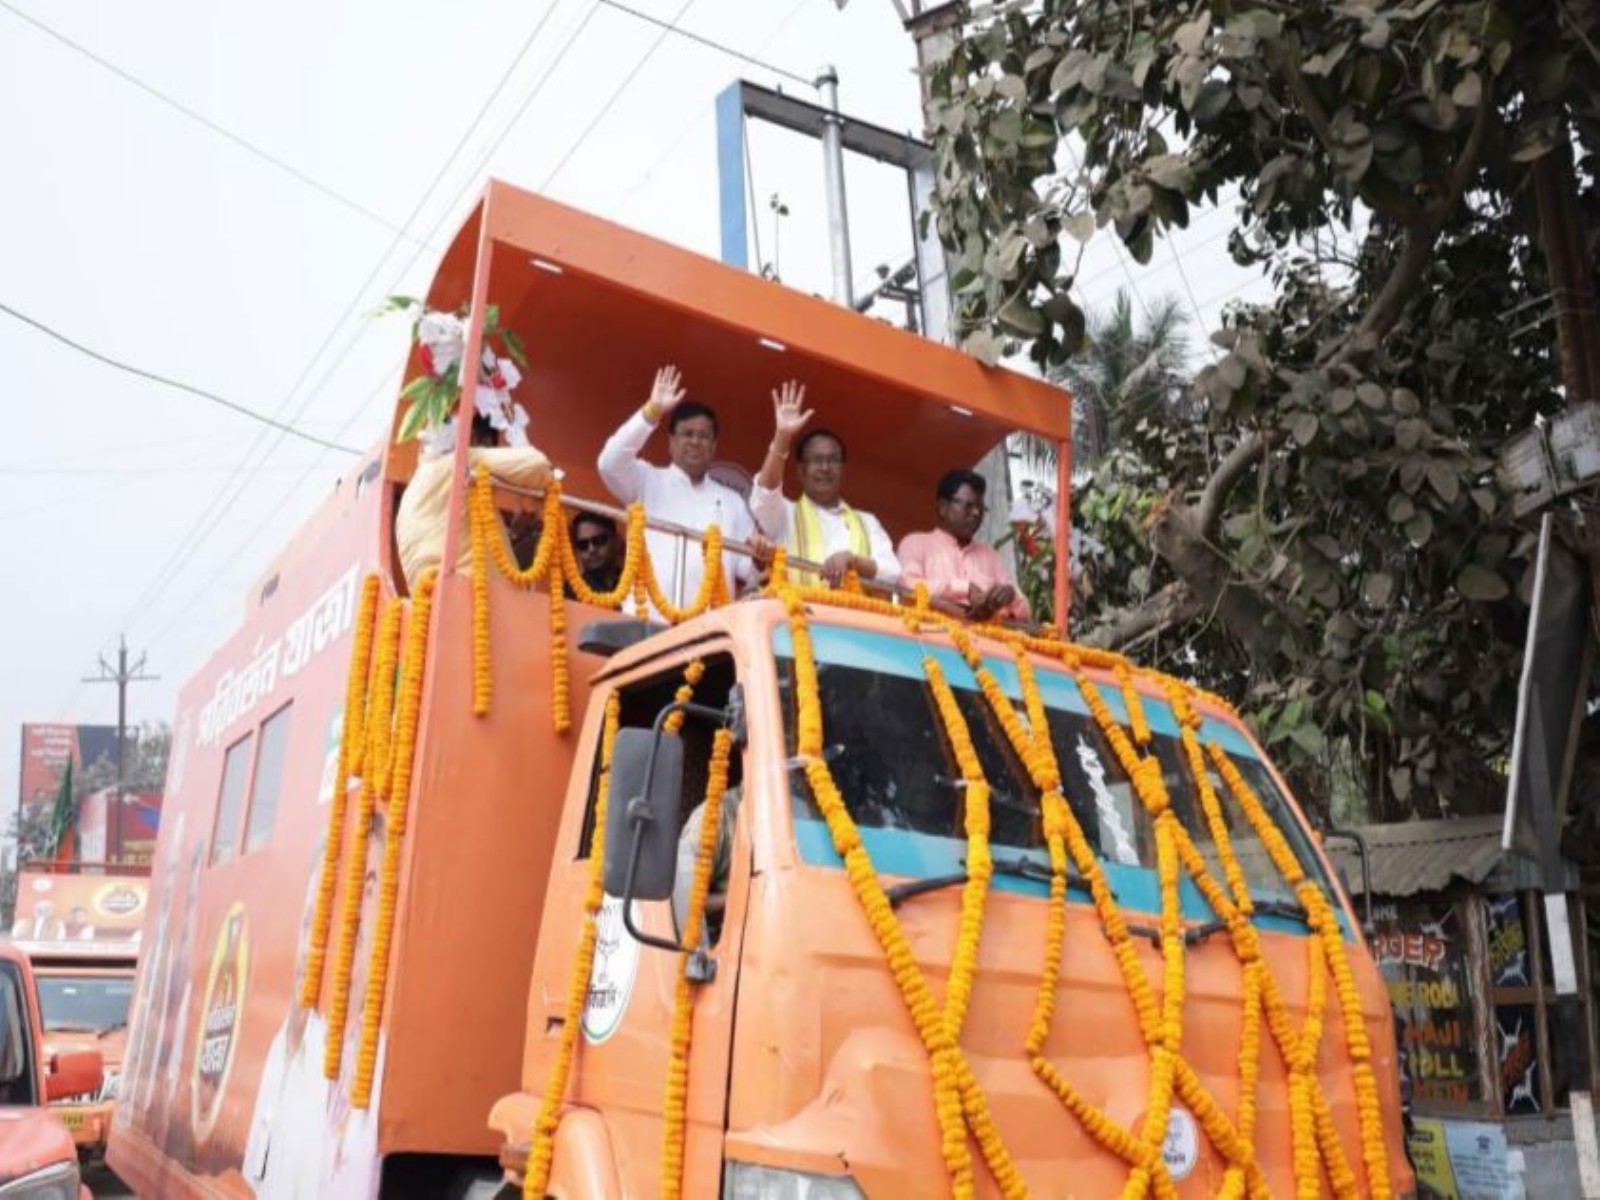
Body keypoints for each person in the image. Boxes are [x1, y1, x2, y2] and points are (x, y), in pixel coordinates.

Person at [597, 365, 765, 611]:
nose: (695, 441)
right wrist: (651, 413)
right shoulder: (647, 480)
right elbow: (609, 463)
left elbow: (747, 570)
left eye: (704, 436)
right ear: (671, 442)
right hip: (648, 619)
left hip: (710, 627)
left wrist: (759, 560)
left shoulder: (732, 501)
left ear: (713, 447)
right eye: (687, 434)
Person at [748, 382, 899, 587]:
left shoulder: (867, 522)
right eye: (817, 460)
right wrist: (782, 436)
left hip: (853, 609)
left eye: (833, 460)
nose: (825, 467)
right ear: (801, 471)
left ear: (842, 469)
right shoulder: (785, 514)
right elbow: (764, 494)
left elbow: (892, 573)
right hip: (796, 608)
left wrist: (853, 561)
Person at [394, 413, 551, 590]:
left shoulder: (408, 498)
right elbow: (537, 466)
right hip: (479, 597)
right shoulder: (460, 462)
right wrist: (517, 435)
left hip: (433, 599)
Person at [898, 469, 1031, 622]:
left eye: (980, 508)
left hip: (985, 636)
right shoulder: (915, 543)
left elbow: (1026, 612)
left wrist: (1010, 596)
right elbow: (907, 585)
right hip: (927, 634)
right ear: (943, 507)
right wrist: (965, 588)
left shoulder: (991, 557)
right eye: (968, 506)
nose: (976, 513)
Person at [569, 512, 622, 594]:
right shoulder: (570, 592)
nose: (591, 549)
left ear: (616, 540)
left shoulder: (634, 583)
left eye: (598, 540)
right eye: (583, 545)